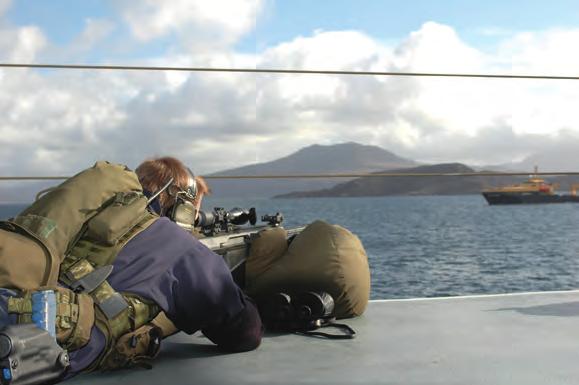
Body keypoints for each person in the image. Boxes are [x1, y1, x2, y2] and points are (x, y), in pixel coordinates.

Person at [0, 157, 263, 380]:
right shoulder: (183, 249)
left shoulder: (84, 215)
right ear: (182, 209)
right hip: (24, 350)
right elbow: (244, 333)